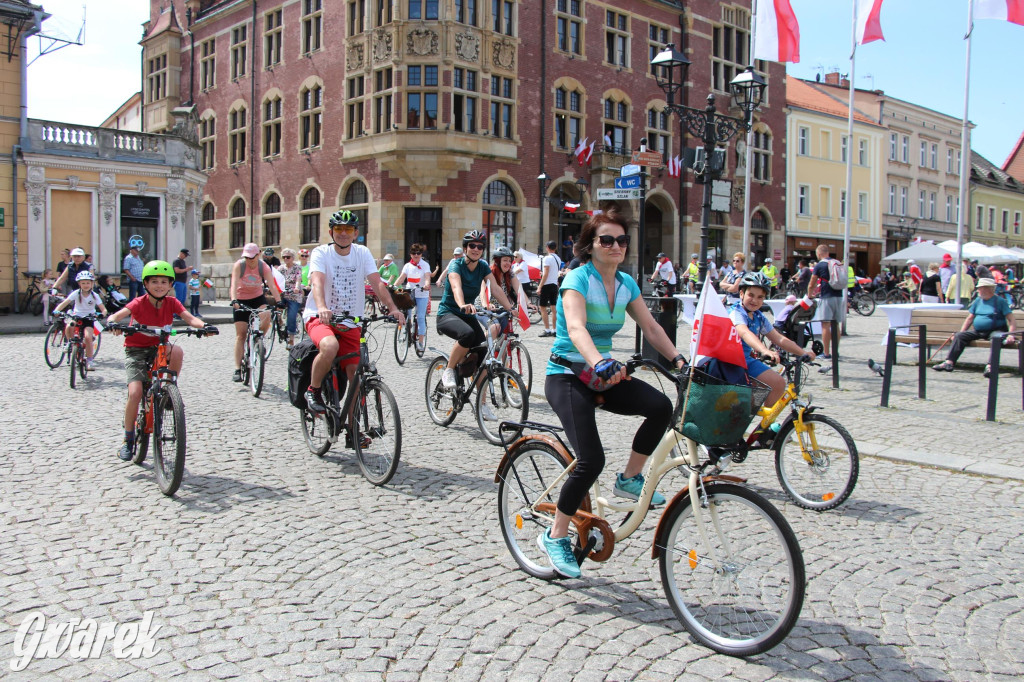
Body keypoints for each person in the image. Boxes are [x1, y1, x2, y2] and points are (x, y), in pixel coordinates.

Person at [539, 210, 685, 579]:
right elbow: (575, 327)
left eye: (622, 240)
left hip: (603, 374)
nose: (616, 246)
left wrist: (680, 360)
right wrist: (598, 360)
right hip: (568, 374)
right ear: (590, 246)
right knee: (590, 459)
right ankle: (556, 536)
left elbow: (650, 326)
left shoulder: (625, 283)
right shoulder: (577, 278)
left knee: (660, 406)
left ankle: (630, 479)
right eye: (607, 240)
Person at [107, 260, 213, 461]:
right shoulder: (138, 302)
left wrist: (204, 326)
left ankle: (168, 389)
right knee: (136, 392)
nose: (159, 285)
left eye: (164, 282)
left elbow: (190, 318)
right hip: (136, 350)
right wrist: (113, 323)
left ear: (170, 285)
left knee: (178, 351)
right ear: (145, 284)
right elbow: (118, 315)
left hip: (159, 347)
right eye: (154, 281)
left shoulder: (172, 302)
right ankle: (128, 439)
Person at [303, 211, 405, 416]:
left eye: (348, 229)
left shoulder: (362, 253)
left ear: (355, 233)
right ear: (331, 232)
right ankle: (313, 391)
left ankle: (353, 430)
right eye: (338, 229)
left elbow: (377, 283)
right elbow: (317, 281)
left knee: (356, 376)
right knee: (329, 346)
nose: (343, 233)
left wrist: (392, 308)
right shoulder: (321, 253)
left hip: (351, 321)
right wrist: (322, 307)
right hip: (320, 317)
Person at [436, 230, 513, 401]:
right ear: (465, 248)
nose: (476, 249)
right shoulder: (457, 265)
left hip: (467, 315)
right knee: (467, 334)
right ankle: (449, 370)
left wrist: (510, 308)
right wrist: (463, 304)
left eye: (479, 246)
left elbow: (495, 288)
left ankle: (482, 403)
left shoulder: (483, 266)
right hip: (448, 313)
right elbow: (456, 287)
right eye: (472, 245)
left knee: (484, 353)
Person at [729, 272, 815, 408]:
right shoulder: (736, 313)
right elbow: (744, 333)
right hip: (730, 362)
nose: (755, 300)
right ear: (741, 294)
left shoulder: (758, 316)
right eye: (751, 295)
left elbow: (779, 338)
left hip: (746, 360)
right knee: (743, 403)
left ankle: (764, 426)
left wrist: (802, 353)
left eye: (760, 297)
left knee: (778, 383)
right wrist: (764, 350)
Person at [933, 278, 1017, 376]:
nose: (977, 290)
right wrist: (961, 332)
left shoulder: (1000, 301)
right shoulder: (978, 301)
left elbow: (1011, 319)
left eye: (980, 288)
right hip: (978, 331)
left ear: (988, 289)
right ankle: (949, 362)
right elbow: (970, 318)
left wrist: (1010, 335)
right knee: (960, 336)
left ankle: (990, 366)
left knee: (996, 338)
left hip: (995, 330)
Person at [229, 242, 284, 382]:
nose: (249, 261)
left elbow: (271, 284)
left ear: (258, 255)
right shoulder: (239, 265)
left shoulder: (263, 266)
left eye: (252, 258)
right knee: (241, 335)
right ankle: (237, 368)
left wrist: (278, 301)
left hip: (257, 298)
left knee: (266, 314)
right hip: (241, 299)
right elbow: (234, 284)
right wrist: (234, 300)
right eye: (247, 258)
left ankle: (258, 339)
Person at [52, 270, 107, 371]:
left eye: (88, 283)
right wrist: (57, 310)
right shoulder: (76, 293)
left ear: (92, 283)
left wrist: (101, 314)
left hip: (89, 318)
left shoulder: (95, 295)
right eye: (83, 283)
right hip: (76, 316)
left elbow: (104, 309)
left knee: (87, 337)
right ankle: (70, 343)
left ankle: (89, 361)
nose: (86, 285)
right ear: (79, 284)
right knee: (69, 326)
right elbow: (65, 303)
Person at [806, 243, 842, 359]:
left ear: (819, 253)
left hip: (826, 296)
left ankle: (826, 353)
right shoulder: (837, 262)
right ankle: (835, 351)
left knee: (825, 324)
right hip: (839, 295)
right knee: (835, 324)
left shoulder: (820, 265)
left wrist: (810, 295)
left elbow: (812, 282)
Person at [394, 243, 432, 350]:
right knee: (407, 314)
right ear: (410, 254)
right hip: (410, 292)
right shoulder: (407, 266)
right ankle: (407, 329)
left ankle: (420, 341)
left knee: (420, 317)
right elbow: (402, 278)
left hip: (422, 293)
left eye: (418, 253)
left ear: (421, 254)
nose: (416, 255)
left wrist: (427, 285)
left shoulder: (425, 265)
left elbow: (427, 277)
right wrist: (394, 286)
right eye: (414, 253)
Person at [278, 248, 305, 349]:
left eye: (288, 257)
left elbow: (298, 279)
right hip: (282, 293)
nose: (286, 259)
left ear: (292, 258)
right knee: (275, 309)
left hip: (293, 294)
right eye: (284, 257)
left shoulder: (297, 268)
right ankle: (279, 320)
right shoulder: (280, 268)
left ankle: (291, 339)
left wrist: (297, 287)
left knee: (291, 316)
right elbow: (276, 279)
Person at [539, 240, 561, 337]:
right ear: (555, 248)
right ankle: (554, 329)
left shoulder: (547, 258)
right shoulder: (558, 258)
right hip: (554, 284)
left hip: (547, 284)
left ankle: (547, 329)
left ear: (547, 247)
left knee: (542, 307)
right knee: (553, 307)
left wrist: (540, 286)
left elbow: (546, 273)